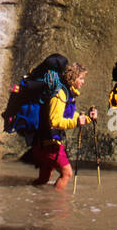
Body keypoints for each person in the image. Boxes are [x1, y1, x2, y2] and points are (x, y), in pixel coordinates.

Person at [32, 61, 97, 190]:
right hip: (49, 143)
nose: (83, 82)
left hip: (44, 142)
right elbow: (55, 121)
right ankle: (57, 207)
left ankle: (37, 203)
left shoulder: (67, 93)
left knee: (44, 178)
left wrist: (88, 118)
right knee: (67, 174)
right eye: (81, 78)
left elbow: (69, 116)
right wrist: (77, 122)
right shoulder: (60, 95)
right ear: (72, 78)